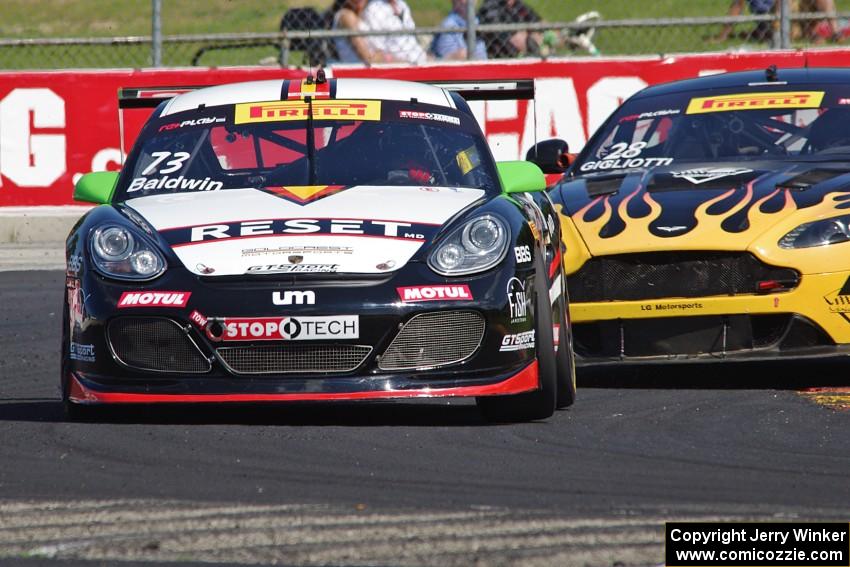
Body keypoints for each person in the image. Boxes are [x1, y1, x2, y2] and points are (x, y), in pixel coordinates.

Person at [361, 0, 429, 64]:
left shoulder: (401, 4)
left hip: (420, 59)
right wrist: (404, 63)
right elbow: (378, 51)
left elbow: (412, 37)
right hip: (400, 65)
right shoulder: (373, 9)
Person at [331, 0, 396, 64]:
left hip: (370, 69)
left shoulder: (364, 15)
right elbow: (368, 59)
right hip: (356, 71)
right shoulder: (346, 15)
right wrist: (384, 56)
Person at [477, 0, 543, 58]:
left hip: (522, 45)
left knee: (540, 36)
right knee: (526, 40)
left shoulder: (516, 4)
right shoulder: (492, 6)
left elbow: (539, 21)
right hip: (501, 54)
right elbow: (515, 39)